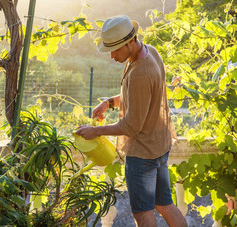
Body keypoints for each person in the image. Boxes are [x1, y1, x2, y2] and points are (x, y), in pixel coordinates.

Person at [76, 15, 187, 227]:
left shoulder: (140, 72)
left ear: (130, 42)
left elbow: (131, 126)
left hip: (143, 153)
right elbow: (140, 97)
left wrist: (96, 131)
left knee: (143, 214)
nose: (111, 55)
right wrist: (108, 103)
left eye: (116, 49)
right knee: (164, 204)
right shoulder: (149, 52)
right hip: (158, 146)